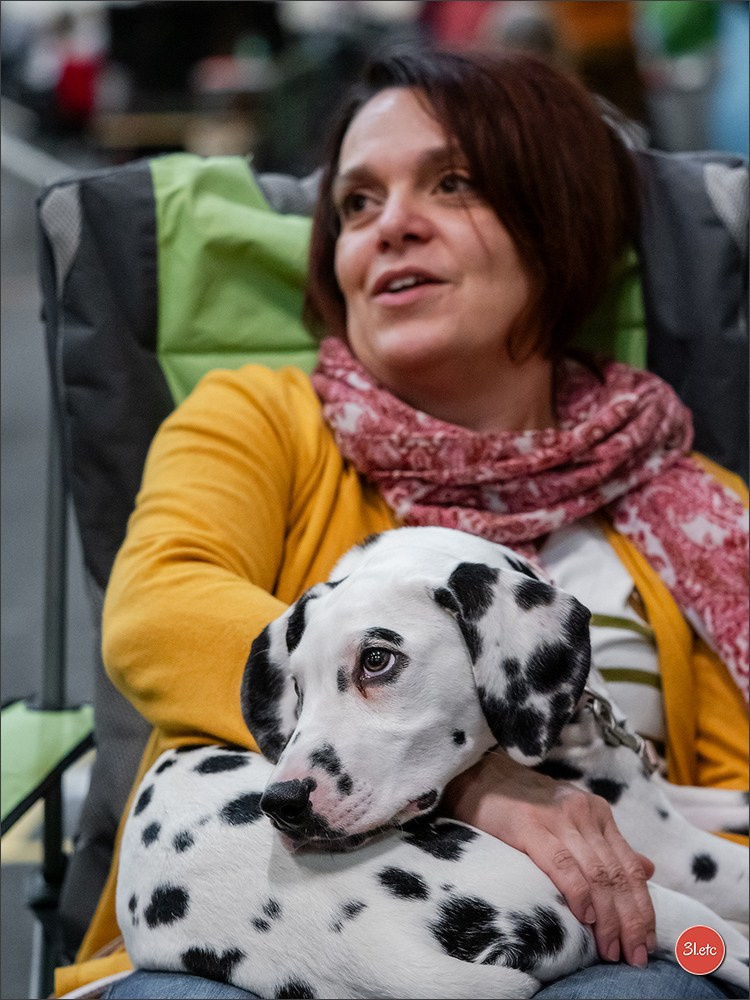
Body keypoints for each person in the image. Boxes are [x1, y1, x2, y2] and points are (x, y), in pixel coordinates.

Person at [55, 47, 748, 1000]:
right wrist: (475, 782)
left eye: (451, 184)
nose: (391, 228)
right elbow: (157, 610)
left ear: (558, 225)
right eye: (357, 204)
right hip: (260, 922)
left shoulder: (703, 509)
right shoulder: (263, 419)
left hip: (618, 936)